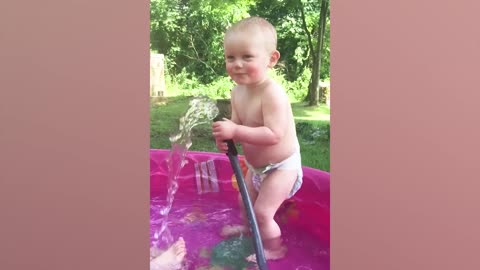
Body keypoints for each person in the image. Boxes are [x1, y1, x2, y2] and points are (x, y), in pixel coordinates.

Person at [212, 16, 303, 262]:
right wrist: (226, 140)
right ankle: (248, 228)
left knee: (263, 212)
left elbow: (274, 135)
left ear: (271, 59)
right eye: (231, 57)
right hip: (257, 167)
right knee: (245, 200)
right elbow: (236, 126)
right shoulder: (237, 92)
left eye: (247, 57)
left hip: (281, 167)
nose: (237, 64)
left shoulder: (271, 93)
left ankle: (275, 248)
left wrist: (236, 132)